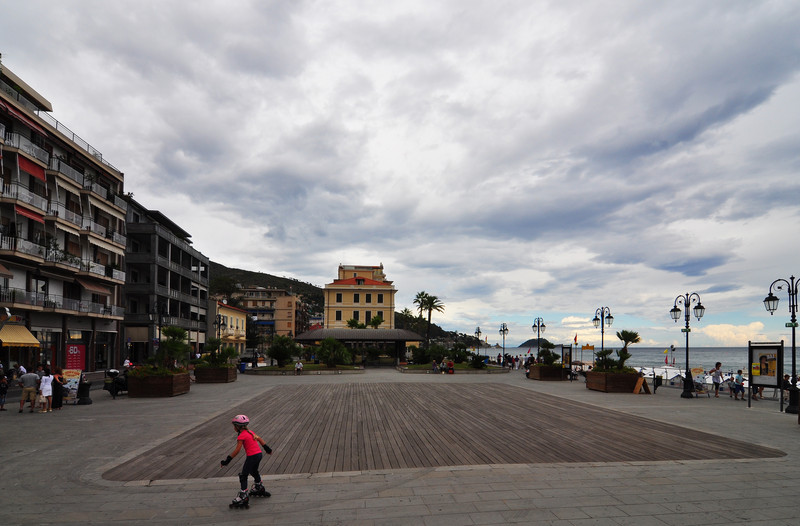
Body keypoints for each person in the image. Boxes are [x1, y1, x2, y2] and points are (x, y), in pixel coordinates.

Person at [220, 414, 272, 507]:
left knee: (243, 475)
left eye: (234, 426)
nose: (234, 428)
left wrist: (227, 461)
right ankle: (259, 487)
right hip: (259, 455)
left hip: (252, 456)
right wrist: (268, 449)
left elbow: (237, 450)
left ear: (237, 427)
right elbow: (260, 439)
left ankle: (243, 496)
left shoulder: (241, 436)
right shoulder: (250, 432)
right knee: (254, 471)